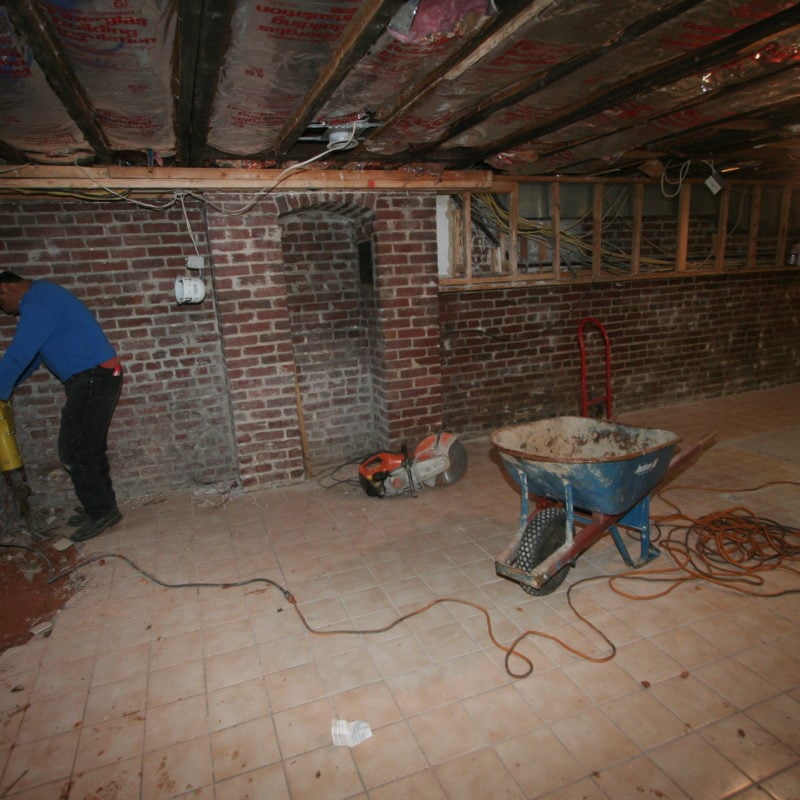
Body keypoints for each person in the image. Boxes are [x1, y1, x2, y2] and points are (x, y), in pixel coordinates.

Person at [0, 271, 123, 541]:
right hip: (96, 376)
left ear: (6, 289)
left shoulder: (37, 302)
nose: (8, 312)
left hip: (93, 377)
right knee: (88, 446)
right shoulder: (43, 297)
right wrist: (7, 388)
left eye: (3, 304)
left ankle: (101, 510)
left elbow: (20, 352)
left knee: (74, 448)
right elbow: (33, 357)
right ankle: (102, 506)